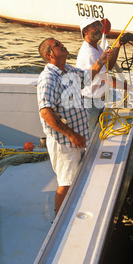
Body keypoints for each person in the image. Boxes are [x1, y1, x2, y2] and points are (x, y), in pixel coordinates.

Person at [37, 37, 112, 215]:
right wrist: (71, 135)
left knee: (75, 179)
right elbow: (46, 112)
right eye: (57, 45)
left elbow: (86, 77)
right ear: (49, 55)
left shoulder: (68, 70)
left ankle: (68, 213)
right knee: (66, 183)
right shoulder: (48, 78)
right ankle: (59, 221)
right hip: (64, 143)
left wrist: (101, 60)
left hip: (76, 139)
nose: (62, 45)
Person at [76, 17, 121, 133]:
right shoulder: (89, 52)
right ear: (85, 31)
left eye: (98, 25)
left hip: (98, 100)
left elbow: (108, 66)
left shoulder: (96, 47)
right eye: (94, 26)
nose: (98, 28)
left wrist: (117, 46)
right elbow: (105, 78)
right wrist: (131, 88)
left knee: (98, 134)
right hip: (90, 103)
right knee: (90, 137)